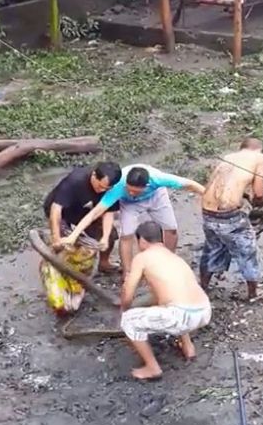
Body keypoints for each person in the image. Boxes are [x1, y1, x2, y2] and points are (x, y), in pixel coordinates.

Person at [62, 164, 205, 276]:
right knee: (126, 235)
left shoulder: (158, 179)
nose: (132, 193)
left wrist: (209, 197)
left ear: (147, 186)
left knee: (171, 229)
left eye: (135, 191)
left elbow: (191, 184)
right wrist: (73, 235)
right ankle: (127, 272)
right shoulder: (118, 188)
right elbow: (94, 213)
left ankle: (169, 261)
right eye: (129, 189)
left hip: (156, 197)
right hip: (129, 204)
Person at [120, 221, 211, 381]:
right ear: (160, 238)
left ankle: (152, 368)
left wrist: (125, 309)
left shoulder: (142, 258)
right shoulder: (174, 257)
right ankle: (188, 347)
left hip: (181, 315)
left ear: (141, 241)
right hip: (203, 311)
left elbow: (128, 292)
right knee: (172, 301)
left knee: (128, 321)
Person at [200, 138, 263, 301]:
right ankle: (253, 293)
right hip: (228, 215)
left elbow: (220, 186)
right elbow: (259, 195)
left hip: (207, 212)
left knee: (212, 249)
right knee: (248, 251)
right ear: (260, 150)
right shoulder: (259, 158)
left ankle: (203, 288)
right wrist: (259, 202)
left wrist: (243, 194)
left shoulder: (229, 157)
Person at [45, 161, 123, 273]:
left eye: (106, 189)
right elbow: (56, 209)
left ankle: (104, 263)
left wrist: (105, 237)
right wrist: (56, 238)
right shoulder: (75, 181)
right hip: (61, 210)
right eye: (100, 186)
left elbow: (108, 212)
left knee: (110, 234)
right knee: (64, 243)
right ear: (94, 175)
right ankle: (58, 269)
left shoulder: (111, 189)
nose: (102, 191)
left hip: (84, 209)